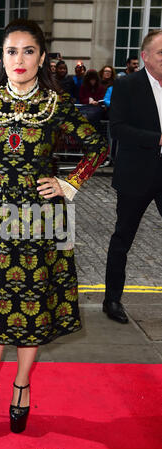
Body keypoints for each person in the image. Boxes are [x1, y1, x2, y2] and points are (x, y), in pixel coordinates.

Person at [0, 18, 108, 434]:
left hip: (42, 220)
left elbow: (97, 146)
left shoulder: (58, 106)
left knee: (33, 307)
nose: (19, 59)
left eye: (28, 51)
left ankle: (21, 385)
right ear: (2, 57)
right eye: (11, 51)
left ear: (42, 58)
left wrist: (68, 183)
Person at [103, 29, 162, 324]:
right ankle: (112, 299)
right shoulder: (127, 85)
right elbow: (119, 128)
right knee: (122, 238)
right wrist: (158, 139)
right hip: (136, 175)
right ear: (145, 56)